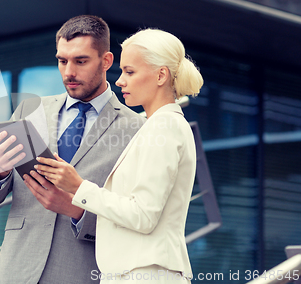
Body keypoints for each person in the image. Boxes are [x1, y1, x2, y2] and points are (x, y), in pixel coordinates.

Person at [0, 15, 145, 283]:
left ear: (107, 61)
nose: (68, 73)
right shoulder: (29, 111)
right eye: (62, 61)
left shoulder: (137, 130)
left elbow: (137, 220)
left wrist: (77, 210)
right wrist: (0, 169)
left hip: (80, 272)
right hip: (16, 270)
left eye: (81, 61)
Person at [33, 28, 204, 283]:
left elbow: (143, 215)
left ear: (161, 75)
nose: (120, 81)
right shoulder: (157, 125)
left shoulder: (164, 126)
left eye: (130, 72)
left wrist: (78, 187)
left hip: (146, 273)